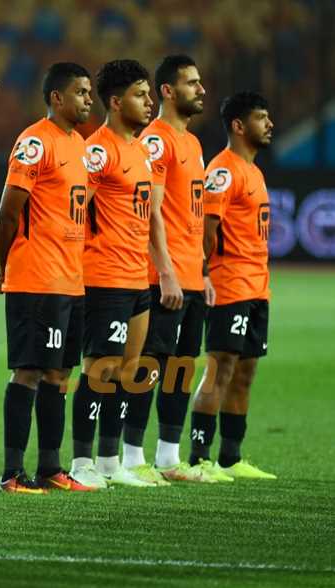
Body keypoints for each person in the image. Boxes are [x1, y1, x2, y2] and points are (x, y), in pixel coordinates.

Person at [0, 62, 95, 494]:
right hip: (37, 279)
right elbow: (7, 213)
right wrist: (6, 266)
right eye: (80, 92)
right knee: (29, 372)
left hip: (70, 281)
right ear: (56, 97)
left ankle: (51, 468)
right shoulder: (35, 142)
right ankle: (13, 472)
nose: (88, 99)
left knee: (59, 375)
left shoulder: (79, 145)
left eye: (90, 92)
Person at [69, 59, 159, 488]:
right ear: (117, 102)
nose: (149, 102)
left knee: (129, 370)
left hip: (138, 277)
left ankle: (109, 461)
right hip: (104, 276)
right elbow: (74, 208)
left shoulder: (140, 151)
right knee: (99, 370)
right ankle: (81, 463)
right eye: (141, 95)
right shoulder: (98, 151)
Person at [126, 55, 216, 482]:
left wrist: (203, 271)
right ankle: (131, 457)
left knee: (182, 366)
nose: (201, 89)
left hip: (191, 275)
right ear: (168, 90)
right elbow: (151, 211)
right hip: (163, 276)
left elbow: (190, 215)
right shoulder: (156, 141)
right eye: (192, 83)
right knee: (150, 364)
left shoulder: (192, 143)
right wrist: (165, 270)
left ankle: (167, 457)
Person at [190, 91, 277, 481]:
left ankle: (230, 457)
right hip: (229, 285)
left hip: (257, 288)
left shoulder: (253, 171)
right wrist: (204, 274)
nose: (269, 124)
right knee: (220, 369)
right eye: (261, 117)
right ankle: (198, 457)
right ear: (239, 126)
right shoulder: (223, 171)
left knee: (245, 372)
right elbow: (205, 230)